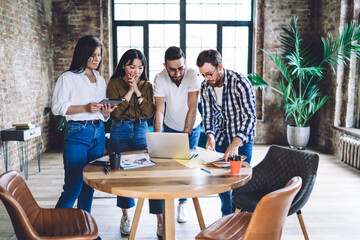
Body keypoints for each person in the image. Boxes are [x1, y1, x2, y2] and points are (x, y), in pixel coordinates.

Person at [52, 35, 116, 215]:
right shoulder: (68, 78)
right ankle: (56, 229)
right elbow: (57, 108)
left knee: (89, 186)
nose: (97, 59)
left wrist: (105, 112)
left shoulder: (100, 79)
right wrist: (85, 107)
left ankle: (85, 229)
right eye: (93, 55)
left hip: (99, 133)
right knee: (73, 186)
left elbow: (101, 113)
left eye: (99, 55)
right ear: (83, 54)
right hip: (78, 133)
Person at [106, 49, 163, 237]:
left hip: (141, 129)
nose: (136, 71)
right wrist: (130, 90)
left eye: (140, 67)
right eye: (132, 66)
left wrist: (137, 89)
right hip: (119, 130)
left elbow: (148, 112)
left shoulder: (147, 85)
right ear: (123, 65)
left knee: (150, 174)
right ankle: (125, 216)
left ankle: (160, 220)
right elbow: (115, 113)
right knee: (123, 175)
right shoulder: (114, 83)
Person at [196, 49, 257, 216]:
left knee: (239, 182)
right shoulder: (205, 87)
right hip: (221, 137)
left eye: (209, 74)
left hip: (242, 138)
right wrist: (210, 136)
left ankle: (240, 218)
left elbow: (251, 117)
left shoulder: (240, 82)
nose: (207, 79)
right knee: (221, 181)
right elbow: (207, 115)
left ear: (220, 66)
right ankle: (226, 215)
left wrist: (235, 143)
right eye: (203, 75)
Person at [153, 46, 203, 223]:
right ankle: (170, 199)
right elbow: (159, 110)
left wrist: (185, 135)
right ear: (165, 66)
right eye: (172, 69)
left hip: (192, 126)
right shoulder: (159, 78)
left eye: (180, 68)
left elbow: (193, 107)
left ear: (185, 63)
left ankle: (183, 203)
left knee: (187, 167)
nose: (177, 73)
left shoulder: (192, 74)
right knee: (168, 166)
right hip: (169, 124)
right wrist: (157, 139)